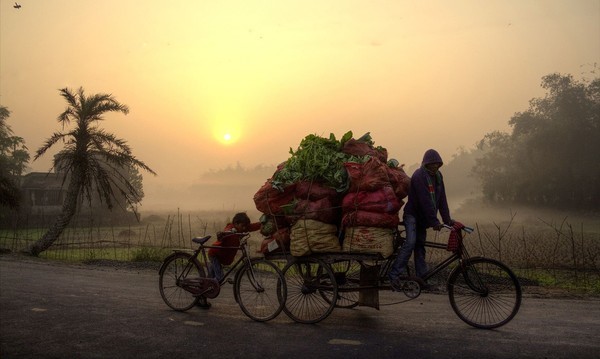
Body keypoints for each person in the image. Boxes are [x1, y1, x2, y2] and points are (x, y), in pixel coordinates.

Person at [389, 149, 453, 288]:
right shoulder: (419, 176)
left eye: (437, 164)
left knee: (420, 247)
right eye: (432, 164)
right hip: (412, 215)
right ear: (426, 164)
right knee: (411, 243)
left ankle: (421, 278)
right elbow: (425, 201)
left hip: (423, 219)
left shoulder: (438, 177)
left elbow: (442, 199)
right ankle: (394, 274)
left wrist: (447, 220)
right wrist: (434, 222)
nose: (435, 166)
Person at [198, 212, 261, 309]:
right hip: (215, 255)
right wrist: (225, 233)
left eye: (245, 226)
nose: (244, 229)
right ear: (236, 223)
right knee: (219, 278)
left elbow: (253, 226)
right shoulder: (231, 229)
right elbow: (224, 233)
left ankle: (201, 297)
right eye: (242, 226)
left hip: (221, 257)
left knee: (210, 279)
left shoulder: (241, 229)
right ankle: (201, 295)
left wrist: (263, 222)